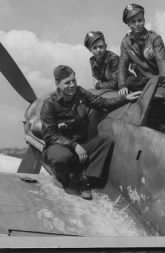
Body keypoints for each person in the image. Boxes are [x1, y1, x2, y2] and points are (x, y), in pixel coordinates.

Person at [40, 65, 141, 200]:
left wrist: (124, 99)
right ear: (57, 84)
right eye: (67, 82)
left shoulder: (80, 93)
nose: (72, 85)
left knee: (106, 142)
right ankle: (61, 177)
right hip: (59, 146)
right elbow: (50, 135)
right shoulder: (49, 104)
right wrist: (74, 145)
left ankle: (84, 180)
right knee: (61, 158)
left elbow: (101, 103)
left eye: (73, 80)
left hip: (81, 146)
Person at [118, 3, 165, 95]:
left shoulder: (155, 38)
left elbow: (162, 64)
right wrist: (122, 85)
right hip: (141, 82)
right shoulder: (126, 42)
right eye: (133, 22)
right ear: (128, 24)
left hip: (157, 79)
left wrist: (164, 85)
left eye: (140, 20)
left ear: (144, 20)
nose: (137, 24)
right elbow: (123, 65)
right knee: (129, 82)